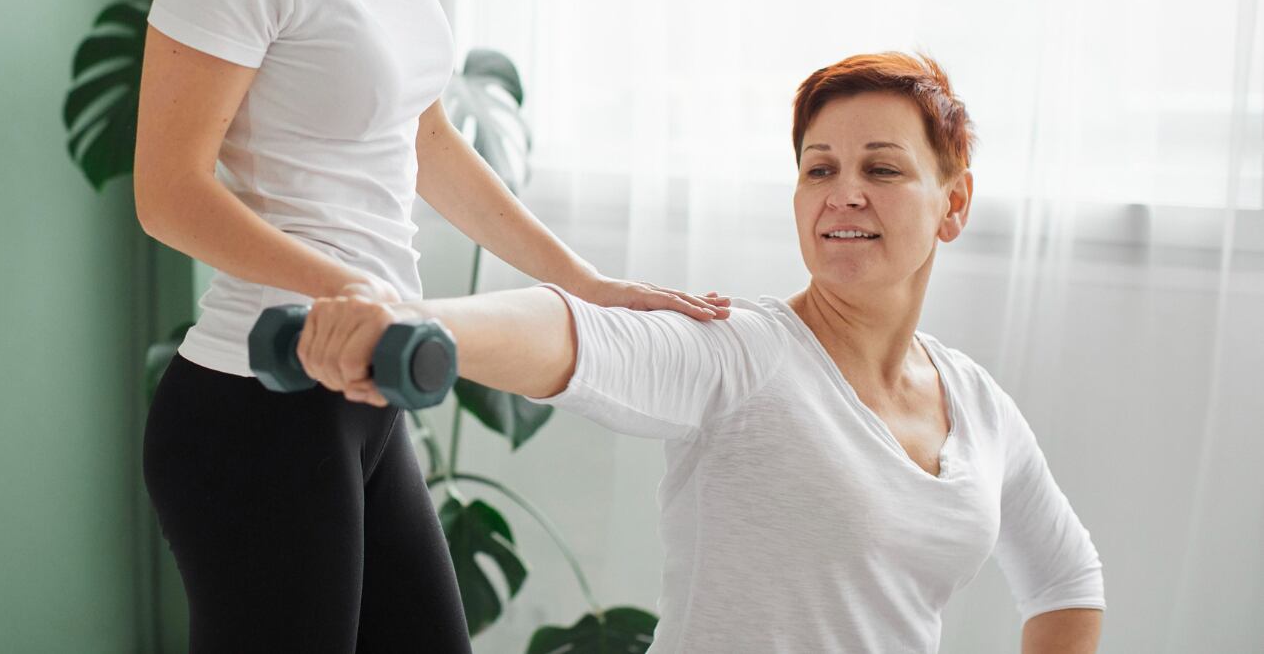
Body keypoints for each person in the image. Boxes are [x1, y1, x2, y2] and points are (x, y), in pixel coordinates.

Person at [134, 0, 726, 654]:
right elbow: (169, 190)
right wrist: (345, 286)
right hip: (258, 401)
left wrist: (586, 282)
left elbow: (427, 138)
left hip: (362, 387)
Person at [301, 52, 1107, 654]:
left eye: (883, 169)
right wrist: (410, 321)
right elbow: (574, 337)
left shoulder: (977, 405)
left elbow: (1066, 579)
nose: (842, 192)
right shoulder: (747, 353)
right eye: (818, 168)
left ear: (953, 202)